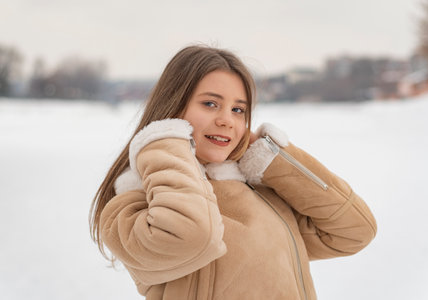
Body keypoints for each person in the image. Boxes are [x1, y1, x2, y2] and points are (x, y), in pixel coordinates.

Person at [89, 45, 377, 300]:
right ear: (172, 109)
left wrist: (270, 157)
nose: (227, 120)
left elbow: (354, 231)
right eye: (210, 104)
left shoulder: (264, 198)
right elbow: (191, 236)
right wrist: (163, 145)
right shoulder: (132, 206)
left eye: (239, 110)